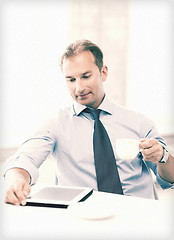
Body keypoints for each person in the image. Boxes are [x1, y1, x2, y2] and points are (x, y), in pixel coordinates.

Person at [3, 39, 174, 205]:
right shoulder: (56, 124)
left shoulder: (139, 122)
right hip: (83, 219)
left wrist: (162, 156)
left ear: (103, 72)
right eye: (71, 79)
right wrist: (17, 180)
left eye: (85, 76)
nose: (79, 88)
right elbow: (25, 159)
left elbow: (170, 178)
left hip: (139, 217)